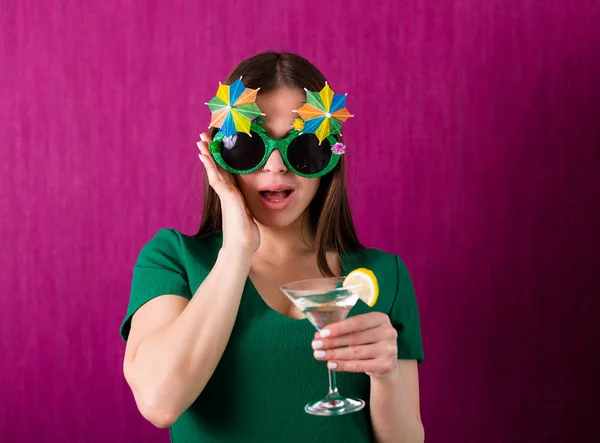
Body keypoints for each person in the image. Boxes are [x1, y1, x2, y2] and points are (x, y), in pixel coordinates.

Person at [120, 51, 425, 443]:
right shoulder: (173, 260)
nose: (277, 165)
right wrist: (237, 250)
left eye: (302, 146)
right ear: (221, 155)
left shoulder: (382, 276)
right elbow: (159, 403)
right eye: (249, 146)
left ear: (330, 155)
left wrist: (386, 375)